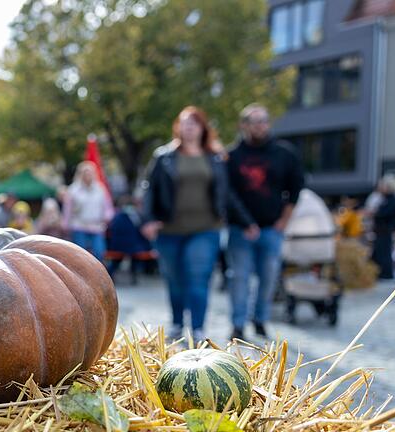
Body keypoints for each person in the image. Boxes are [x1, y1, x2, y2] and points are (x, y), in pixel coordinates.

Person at [141, 106, 255, 342]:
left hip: (206, 229)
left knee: (198, 276)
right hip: (170, 231)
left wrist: (246, 222)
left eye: (194, 123)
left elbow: (227, 194)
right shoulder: (164, 157)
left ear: (203, 127)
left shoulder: (215, 157)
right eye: (184, 123)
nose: (189, 127)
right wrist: (148, 220)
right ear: (178, 127)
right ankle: (176, 324)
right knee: (175, 281)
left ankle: (198, 328)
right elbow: (148, 190)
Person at [226, 103, 304, 341]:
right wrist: (244, 222)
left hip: (272, 229)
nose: (260, 126)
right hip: (240, 231)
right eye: (255, 121)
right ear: (244, 125)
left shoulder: (284, 153)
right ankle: (238, 325)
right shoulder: (232, 155)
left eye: (264, 121)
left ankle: (260, 320)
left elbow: (296, 189)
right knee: (239, 278)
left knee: (268, 279)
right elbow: (226, 193)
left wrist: (284, 221)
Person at [63, 161, 113, 262]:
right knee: (80, 255)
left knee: (99, 252)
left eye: (90, 172)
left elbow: (107, 207)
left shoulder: (100, 189)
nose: (87, 175)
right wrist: (65, 224)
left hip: (96, 226)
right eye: (85, 173)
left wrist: (108, 217)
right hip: (79, 226)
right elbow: (67, 209)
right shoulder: (73, 190)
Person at [107, 195, 149, 284]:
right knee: (133, 257)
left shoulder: (118, 217)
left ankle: (109, 275)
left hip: (119, 247)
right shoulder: (135, 217)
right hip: (131, 247)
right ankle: (134, 275)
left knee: (117, 261)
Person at [371, 174, 395, 280]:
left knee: (384, 254)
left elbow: (385, 214)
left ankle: (385, 274)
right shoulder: (385, 199)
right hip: (382, 231)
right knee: (379, 253)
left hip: (386, 231)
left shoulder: (393, 200)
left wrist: (375, 213)